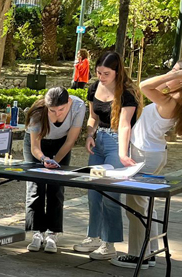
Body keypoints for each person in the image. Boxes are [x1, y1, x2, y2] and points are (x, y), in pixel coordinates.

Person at [112, 60, 182, 268]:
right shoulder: (176, 97)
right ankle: (149, 251)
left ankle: (138, 256)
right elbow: (152, 87)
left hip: (145, 156)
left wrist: (174, 77)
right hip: (152, 153)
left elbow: (143, 86)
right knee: (146, 204)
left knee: (136, 206)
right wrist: (176, 77)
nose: (170, 72)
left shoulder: (171, 101)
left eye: (176, 70)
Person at [75, 51, 141, 261]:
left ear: (117, 71)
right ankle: (92, 236)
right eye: (99, 72)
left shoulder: (127, 93)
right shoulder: (94, 87)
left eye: (106, 73)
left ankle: (109, 243)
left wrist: (122, 153)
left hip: (116, 142)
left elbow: (124, 125)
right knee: (93, 192)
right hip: (99, 141)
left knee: (110, 194)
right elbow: (93, 117)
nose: (101, 77)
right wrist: (89, 135)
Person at [23, 87, 86, 253]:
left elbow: (70, 141)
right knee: (35, 185)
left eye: (61, 109)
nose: (57, 114)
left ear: (69, 103)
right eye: (52, 110)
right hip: (38, 146)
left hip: (62, 144)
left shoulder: (78, 106)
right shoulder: (38, 113)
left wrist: (55, 163)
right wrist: (44, 160)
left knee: (56, 186)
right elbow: (35, 147)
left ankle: (53, 232)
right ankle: (37, 232)